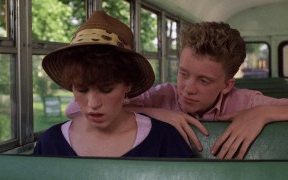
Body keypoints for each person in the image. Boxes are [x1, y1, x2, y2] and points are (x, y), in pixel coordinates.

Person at [65, 21, 288, 160]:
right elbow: (74, 110)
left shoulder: (246, 103)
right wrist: (153, 113)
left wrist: (262, 113)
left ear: (227, 85)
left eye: (204, 81)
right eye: (183, 74)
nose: (187, 89)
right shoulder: (160, 97)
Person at [33, 11, 194, 158]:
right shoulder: (50, 143)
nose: (93, 103)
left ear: (128, 84)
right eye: (81, 89)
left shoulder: (164, 140)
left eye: (106, 89)